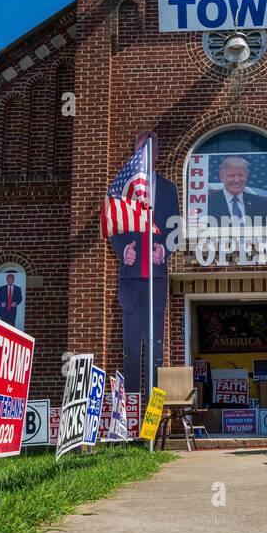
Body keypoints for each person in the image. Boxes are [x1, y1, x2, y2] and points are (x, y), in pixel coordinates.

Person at [109, 131, 180, 398]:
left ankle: (153, 418)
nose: (145, 156)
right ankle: (130, 413)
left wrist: (166, 249)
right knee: (131, 349)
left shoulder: (167, 189)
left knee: (156, 350)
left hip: (157, 279)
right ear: (135, 154)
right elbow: (115, 226)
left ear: (156, 155)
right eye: (140, 151)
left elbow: (176, 228)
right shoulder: (124, 189)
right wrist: (122, 248)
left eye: (149, 151)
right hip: (131, 280)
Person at [209, 155, 267, 224]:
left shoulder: (260, 204)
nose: (236, 180)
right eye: (231, 175)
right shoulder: (209, 203)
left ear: (246, 177)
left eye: (241, 175)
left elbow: (265, 232)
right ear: (221, 177)